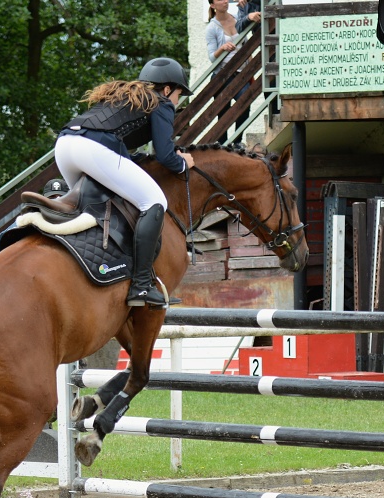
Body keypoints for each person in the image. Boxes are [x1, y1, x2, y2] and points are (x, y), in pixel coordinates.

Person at [54, 58, 195, 307]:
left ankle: (97, 268)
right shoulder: (161, 103)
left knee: (94, 208)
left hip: (65, 145)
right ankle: (141, 286)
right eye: (179, 94)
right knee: (154, 201)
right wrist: (183, 163)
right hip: (93, 149)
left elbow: (114, 134)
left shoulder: (124, 99)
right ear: (166, 89)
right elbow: (164, 154)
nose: (177, 101)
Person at [206, 0, 251, 145]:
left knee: (245, 101)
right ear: (213, 5)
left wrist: (250, 69)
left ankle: (237, 141)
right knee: (223, 112)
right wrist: (223, 48)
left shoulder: (237, 19)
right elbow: (212, 57)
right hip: (222, 75)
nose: (225, 1)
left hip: (240, 72)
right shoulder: (212, 27)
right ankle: (222, 144)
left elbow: (246, 45)